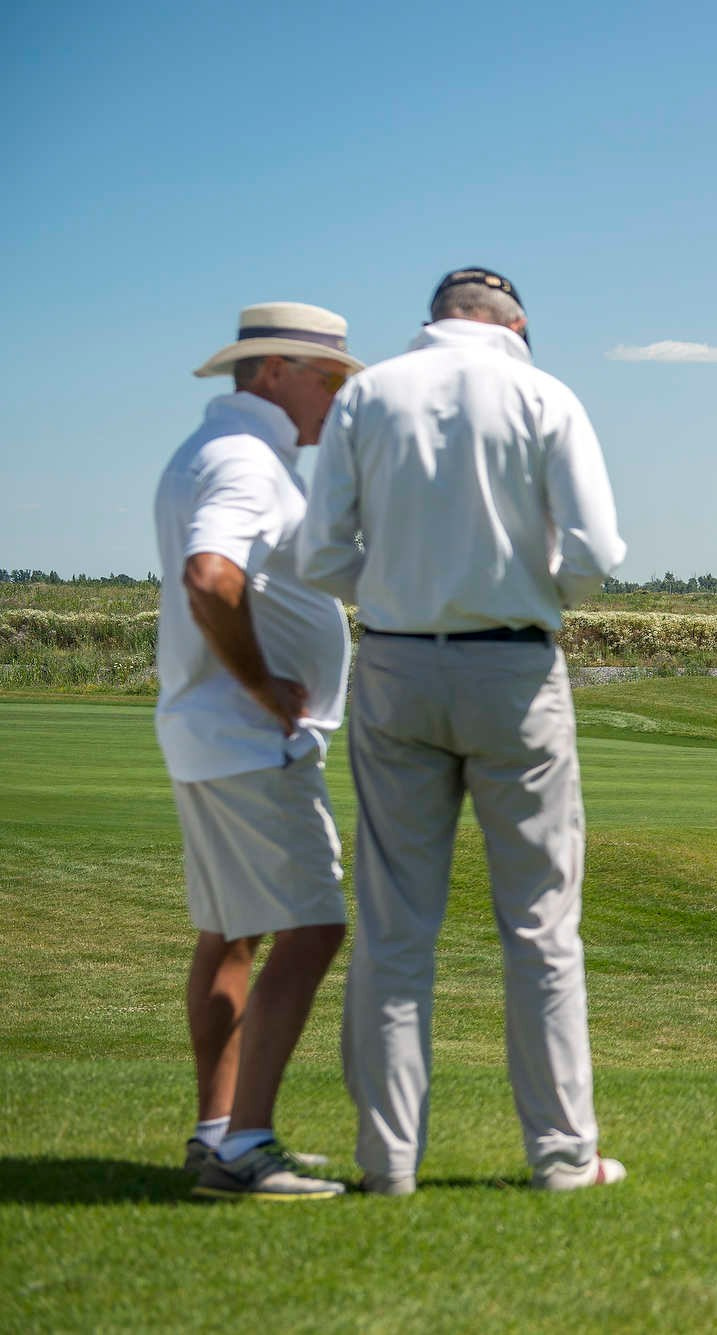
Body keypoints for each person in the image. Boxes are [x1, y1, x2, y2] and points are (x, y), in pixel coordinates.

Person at [300, 267, 628, 1195]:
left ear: (434, 318)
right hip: (514, 669)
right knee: (540, 925)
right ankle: (563, 1157)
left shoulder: (367, 393)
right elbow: (600, 553)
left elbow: (322, 551)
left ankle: (388, 1162)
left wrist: (401, 592)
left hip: (398, 665)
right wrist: (531, 592)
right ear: (517, 322)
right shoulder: (543, 393)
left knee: (396, 926)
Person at [157, 302, 364, 1200]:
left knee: (232, 931)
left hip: (209, 738)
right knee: (315, 926)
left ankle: (217, 1132)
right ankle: (245, 1148)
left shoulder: (213, 450)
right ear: (274, 370)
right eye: (329, 379)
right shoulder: (246, 460)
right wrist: (262, 686)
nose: (336, 399)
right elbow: (212, 576)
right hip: (247, 740)